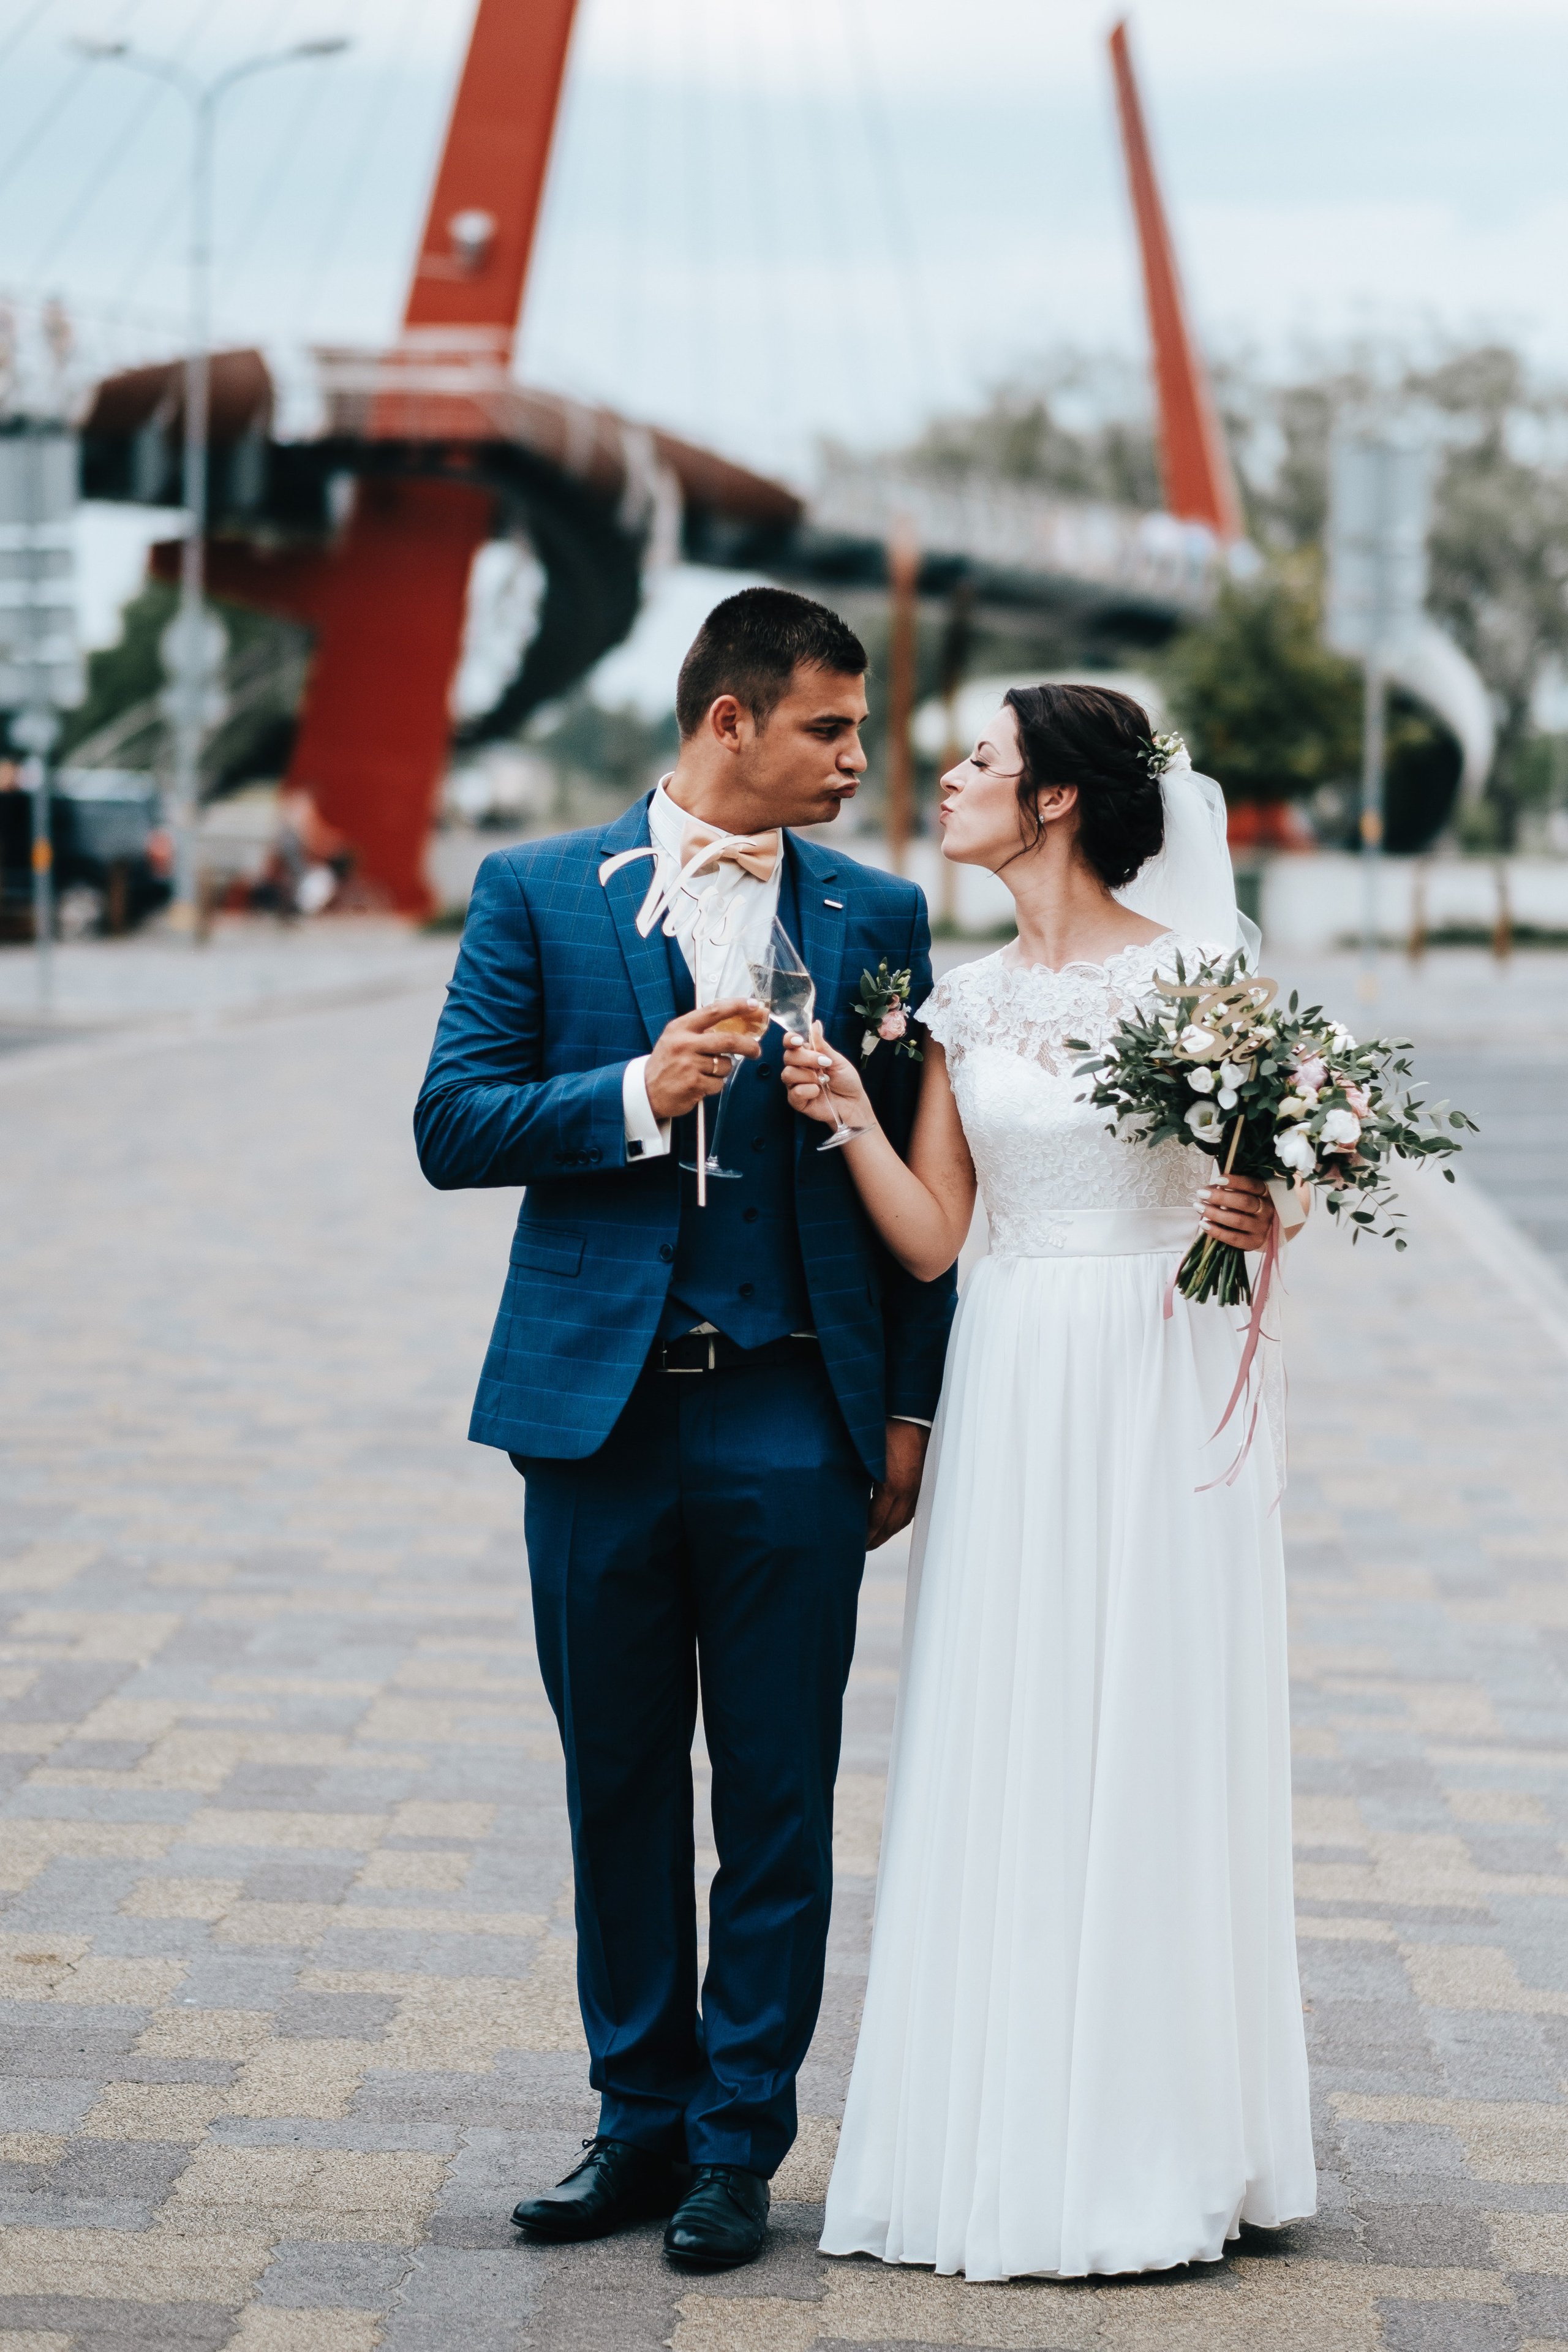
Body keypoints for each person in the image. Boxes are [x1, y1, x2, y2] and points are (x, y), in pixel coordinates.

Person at [414, 587, 956, 2272]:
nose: (858, 762)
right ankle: (633, 2128)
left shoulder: (878, 915)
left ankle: (738, 2147)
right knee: (621, 1786)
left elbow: (918, 1188)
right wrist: (634, 1095)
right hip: (595, 1427)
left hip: (796, 1417)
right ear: (728, 721)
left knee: (782, 1799)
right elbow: (451, 1124)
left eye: (859, 730)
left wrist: (911, 1415)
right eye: (827, 729)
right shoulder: (532, 894)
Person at [783, 682, 1317, 2281]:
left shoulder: (1201, 978)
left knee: (1149, 1715)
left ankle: (1161, 2136)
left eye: (978, 762)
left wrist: (1260, 1203)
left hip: (1153, 1365)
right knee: (1015, 1719)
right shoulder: (963, 1003)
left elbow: (1271, 1170)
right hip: (1013, 1371)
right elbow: (943, 1237)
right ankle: (1006, 2125)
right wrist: (840, 1120)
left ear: (1060, 800)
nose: (944, 780)